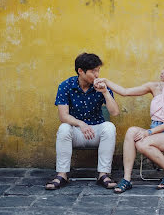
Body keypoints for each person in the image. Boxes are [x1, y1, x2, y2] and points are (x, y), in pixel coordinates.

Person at [94, 60, 164, 193]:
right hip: (154, 130)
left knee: (142, 144)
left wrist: (148, 132)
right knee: (131, 131)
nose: (161, 72)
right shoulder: (154, 87)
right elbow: (125, 92)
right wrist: (106, 81)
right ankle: (127, 179)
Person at [45, 53, 120, 190]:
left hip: (96, 132)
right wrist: (81, 124)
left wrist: (105, 92)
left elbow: (114, 112)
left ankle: (103, 174)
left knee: (109, 127)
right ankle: (62, 175)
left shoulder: (101, 86)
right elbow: (63, 116)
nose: (97, 75)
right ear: (80, 71)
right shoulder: (66, 86)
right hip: (76, 133)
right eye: (93, 71)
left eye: (98, 70)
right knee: (63, 128)